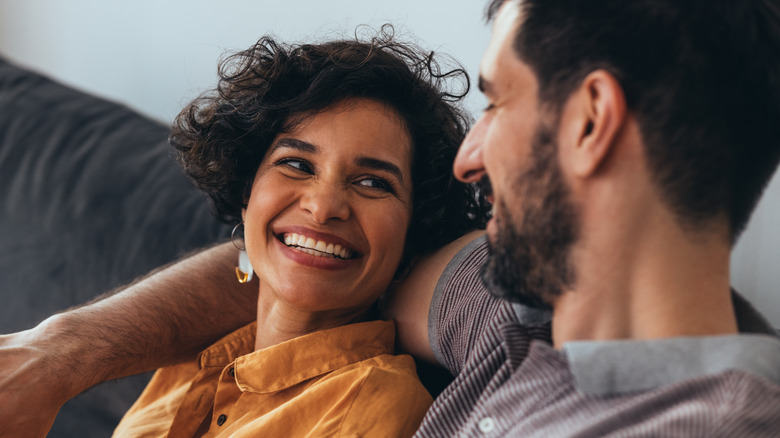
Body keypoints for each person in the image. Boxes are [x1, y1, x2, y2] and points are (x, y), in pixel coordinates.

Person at [3, 0, 780, 436]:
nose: (468, 157)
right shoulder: (499, 304)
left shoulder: (708, 423)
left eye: (499, 100)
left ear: (590, 121)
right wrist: (60, 354)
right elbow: (313, 266)